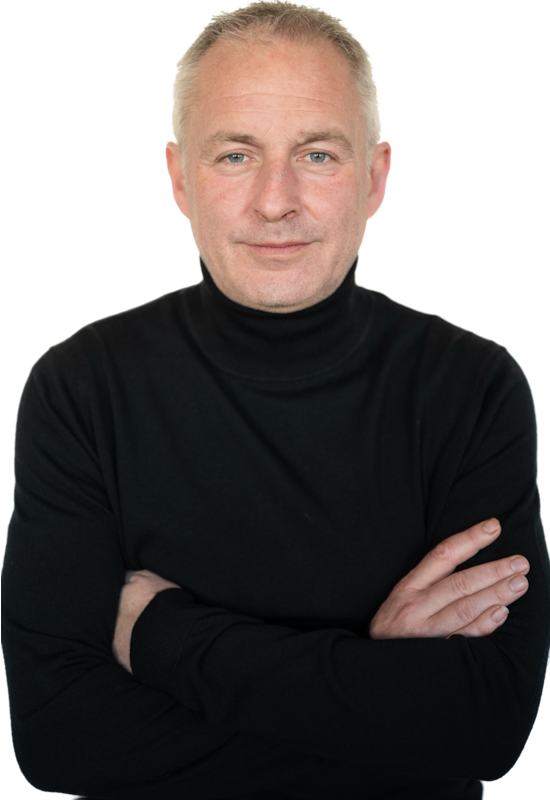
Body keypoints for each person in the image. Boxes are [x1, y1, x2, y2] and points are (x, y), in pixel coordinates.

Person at [3, 2, 549, 799]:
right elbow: (60, 740)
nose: (274, 201)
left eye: (318, 155)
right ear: (179, 176)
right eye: (235, 156)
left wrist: (160, 634)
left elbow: (485, 728)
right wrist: (374, 682)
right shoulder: (81, 386)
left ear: (376, 177)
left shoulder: (471, 386)